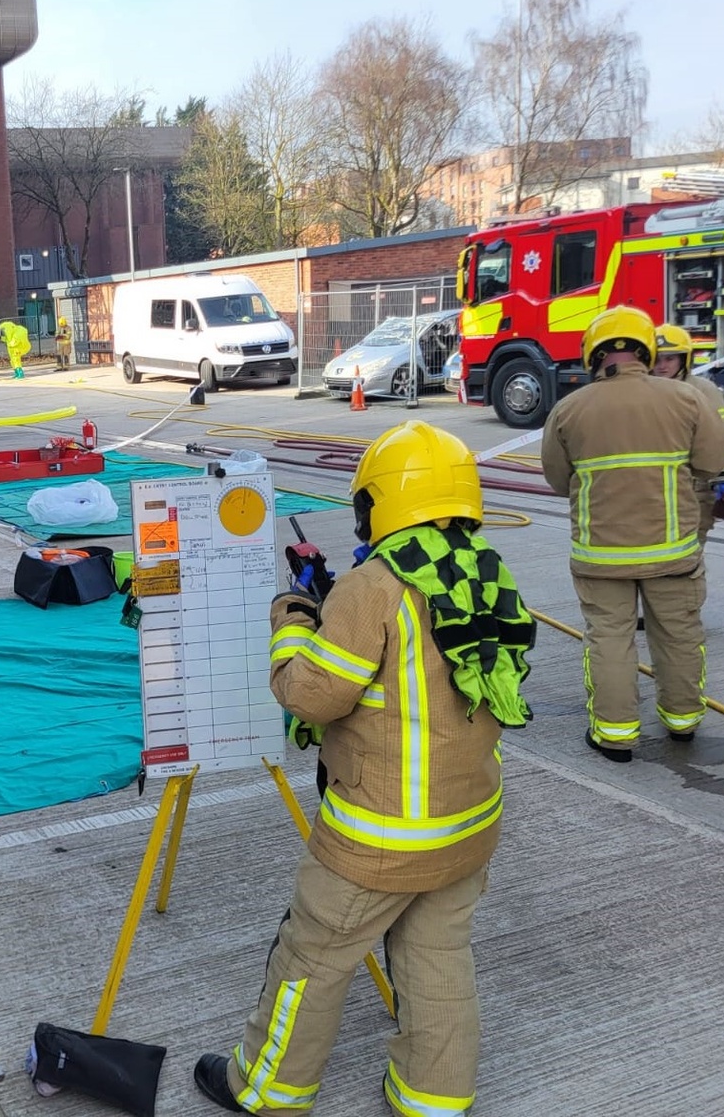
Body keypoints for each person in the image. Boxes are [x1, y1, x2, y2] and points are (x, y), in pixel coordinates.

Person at [194, 420, 535, 1116]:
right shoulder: (482, 569)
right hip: (466, 827)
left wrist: (295, 615)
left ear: (378, 504)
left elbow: (312, 693)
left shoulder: (372, 586)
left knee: (313, 956)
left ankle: (266, 1090)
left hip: (380, 838)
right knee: (437, 958)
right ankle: (432, 1097)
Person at [541, 306, 724, 763]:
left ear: (594, 354)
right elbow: (711, 463)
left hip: (601, 556)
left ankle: (615, 735)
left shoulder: (568, 409)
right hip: (674, 553)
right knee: (679, 635)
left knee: (609, 639)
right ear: (646, 349)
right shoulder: (687, 400)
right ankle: (682, 723)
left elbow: (556, 478)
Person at [652, 323, 724, 546]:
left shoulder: (702, 391)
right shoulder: (641, 392)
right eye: (657, 359)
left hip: (695, 491)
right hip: (652, 492)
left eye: (670, 359)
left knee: (690, 553)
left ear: (684, 359)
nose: (662, 366)